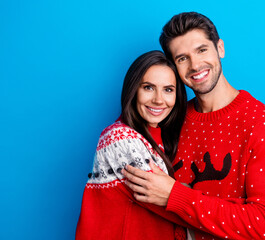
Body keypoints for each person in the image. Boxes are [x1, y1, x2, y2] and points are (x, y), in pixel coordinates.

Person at [122, 12, 265, 240]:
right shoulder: (170, 117)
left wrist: (175, 196)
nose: (195, 65)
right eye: (182, 58)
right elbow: (145, 194)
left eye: (202, 50)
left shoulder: (260, 122)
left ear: (220, 48)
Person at [75, 50, 190, 240]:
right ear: (133, 89)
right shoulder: (119, 138)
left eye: (168, 89)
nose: (159, 99)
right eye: (148, 87)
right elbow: (174, 207)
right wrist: (238, 211)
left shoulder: (157, 140)